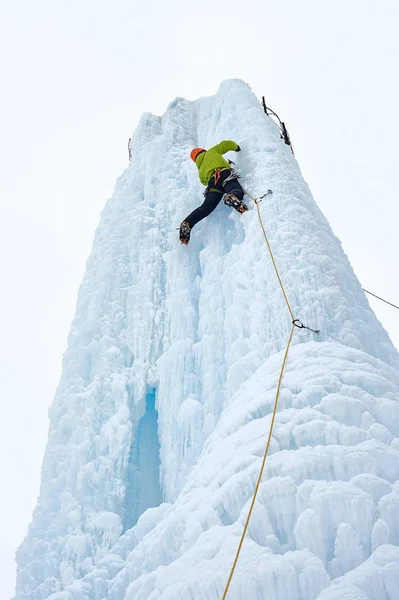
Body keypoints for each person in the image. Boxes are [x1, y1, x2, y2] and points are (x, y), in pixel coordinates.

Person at [179, 140, 247, 244]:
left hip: (212, 183)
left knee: (206, 207)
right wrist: (236, 147)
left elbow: (204, 181)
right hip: (224, 174)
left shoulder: (201, 170)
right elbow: (225, 145)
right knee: (235, 189)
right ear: (203, 151)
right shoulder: (211, 152)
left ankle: (188, 222)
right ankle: (232, 197)